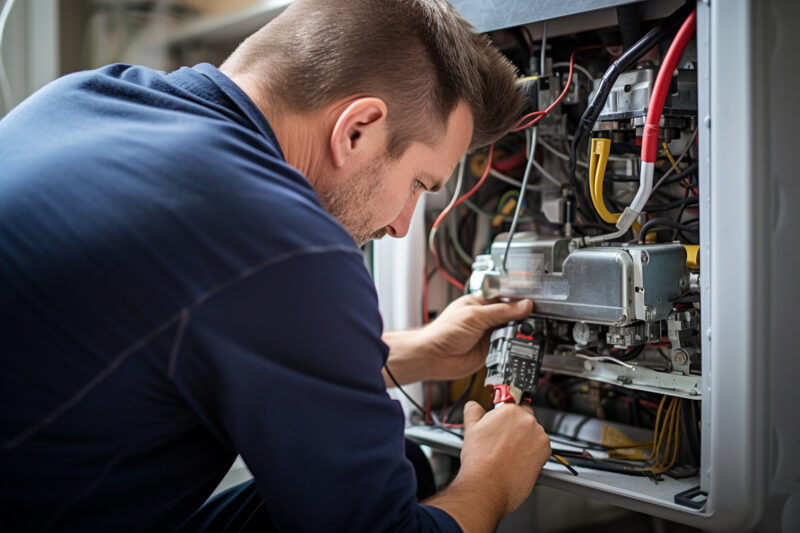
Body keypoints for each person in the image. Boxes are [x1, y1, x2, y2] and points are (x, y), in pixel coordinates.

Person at [0, 0, 551, 531]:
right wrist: (492, 478)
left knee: (397, 462)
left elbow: (204, 334)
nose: (403, 224)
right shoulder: (281, 239)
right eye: (417, 184)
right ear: (357, 128)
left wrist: (422, 354)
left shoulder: (84, 95)